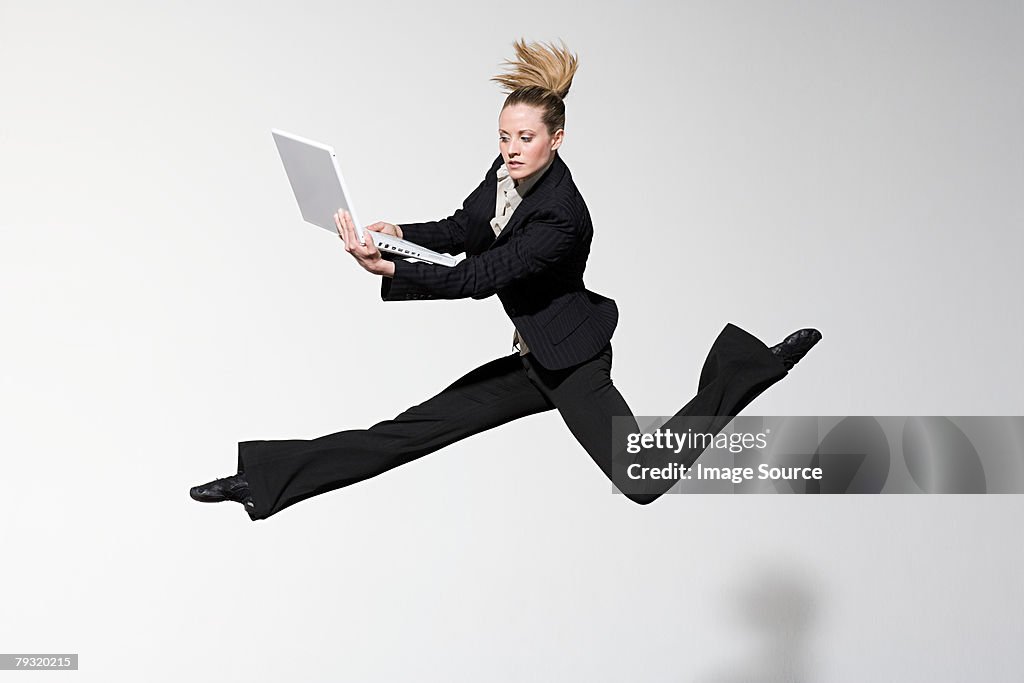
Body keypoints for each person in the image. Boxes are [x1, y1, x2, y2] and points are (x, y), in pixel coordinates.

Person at [190, 38, 821, 520]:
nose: (512, 149)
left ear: (558, 139)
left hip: (573, 362)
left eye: (525, 138)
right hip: (528, 360)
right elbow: (466, 227)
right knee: (408, 433)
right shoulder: (507, 175)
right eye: (504, 136)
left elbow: (479, 276)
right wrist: (401, 235)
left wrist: (393, 271)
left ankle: (748, 366)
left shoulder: (561, 216)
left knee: (642, 478)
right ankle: (265, 479)